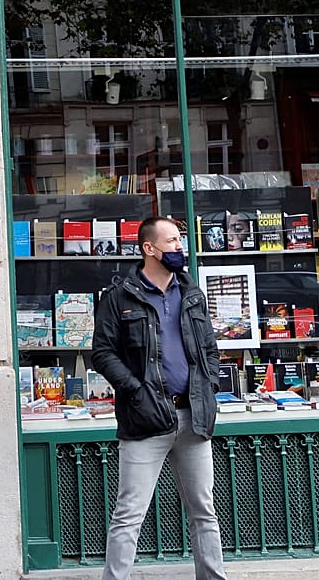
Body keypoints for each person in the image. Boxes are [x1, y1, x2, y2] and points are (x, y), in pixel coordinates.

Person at [91, 216, 227, 580]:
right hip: (145, 421)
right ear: (149, 248)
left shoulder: (191, 293)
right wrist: (136, 391)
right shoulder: (120, 297)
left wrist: (208, 385)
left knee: (204, 510)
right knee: (129, 513)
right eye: (172, 241)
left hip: (193, 419)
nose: (179, 248)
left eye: (180, 240)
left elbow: (210, 350)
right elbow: (102, 352)